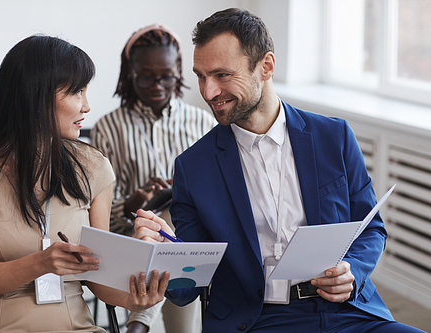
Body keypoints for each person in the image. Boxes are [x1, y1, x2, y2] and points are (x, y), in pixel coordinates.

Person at [133, 8, 425, 333]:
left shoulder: (334, 137)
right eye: (201, 76)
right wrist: (162, 255)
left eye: (222, 75)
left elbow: (371, 229)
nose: (208, 92)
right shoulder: (194, 167)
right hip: (258, 320)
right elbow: (186, 289)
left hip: (348, 311)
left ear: (266, 66)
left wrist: (351, 271)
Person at [0, 35, 168, 332]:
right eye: (76, 92)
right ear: (36, 94)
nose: (86, 106)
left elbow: (99, 278)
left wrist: (137, 298)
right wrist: (40, 264)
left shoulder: (93, 166)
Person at [91, 24, 217, 333]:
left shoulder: (202, 121)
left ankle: (139, 321)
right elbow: (98, 211)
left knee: (172, 217)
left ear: (178, 72)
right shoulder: (109, 127)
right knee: (158, 223)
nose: (157, 85)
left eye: (166, 76)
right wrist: (133, 202)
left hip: (191, 231)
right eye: (146, 76)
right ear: (129, 73)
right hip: (131, 233)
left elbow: (218, 188)